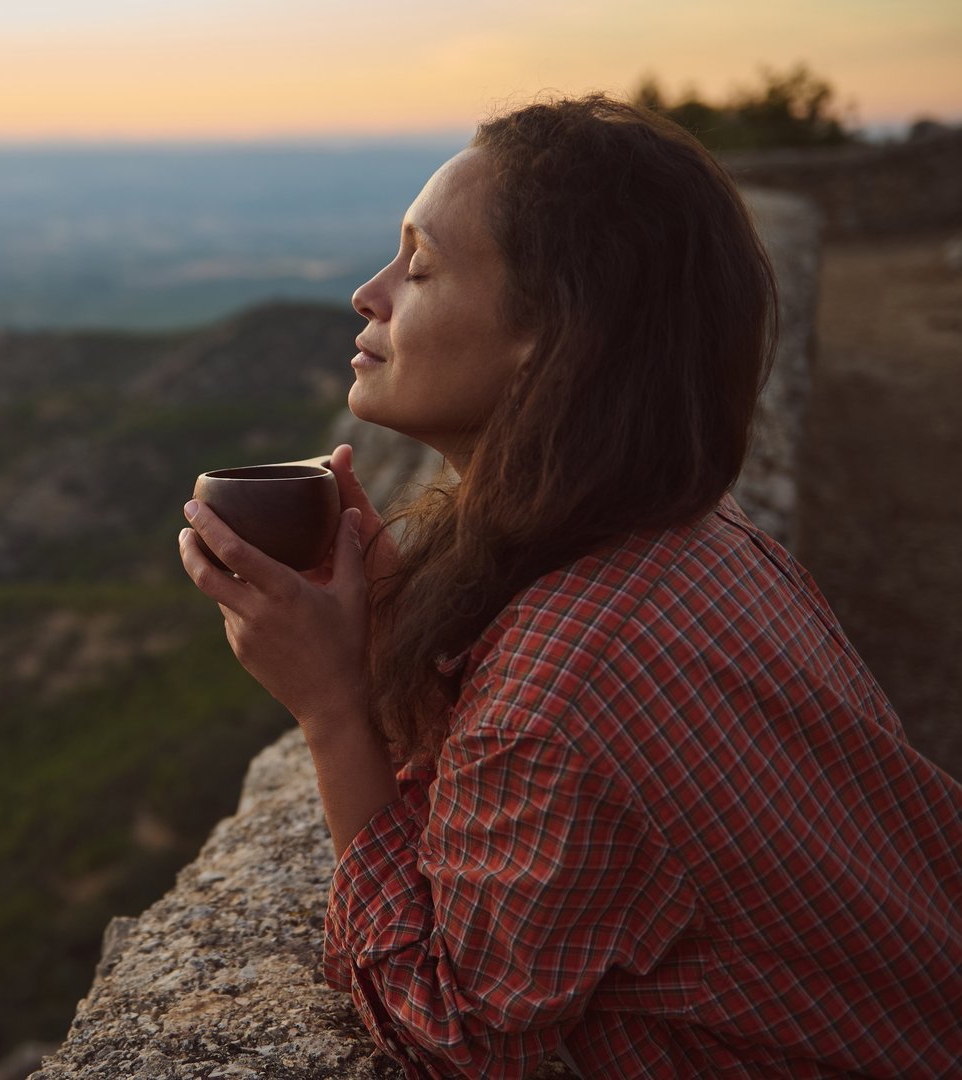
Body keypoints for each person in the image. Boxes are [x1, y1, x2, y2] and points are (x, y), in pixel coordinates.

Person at [176, 95, 962, 1078]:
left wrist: (333, 710)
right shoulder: (697, 539)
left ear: (551, 337)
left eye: (420, 268)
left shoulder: (554, 696)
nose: (369, 294)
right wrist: (386, 631)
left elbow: (451, 1039)